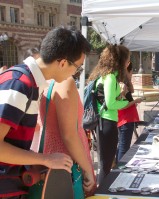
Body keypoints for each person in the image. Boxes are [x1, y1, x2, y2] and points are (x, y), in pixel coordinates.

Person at [0, 26, 91, 198]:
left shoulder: (27, 81)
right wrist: (45, 159)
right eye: (77, 68)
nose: (76, 73)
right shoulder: (21, 83)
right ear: (63, 62)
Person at [87, 45, 142, 183]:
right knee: (106, 163)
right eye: (127, 60)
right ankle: (102, 191)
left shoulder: (108, 76)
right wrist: (128, 102)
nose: (128, 63)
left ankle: (103, 189)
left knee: (106, 162)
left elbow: (108, 101)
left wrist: (121, 95)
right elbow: (111, 104)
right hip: (106, 122)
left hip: (106, 122)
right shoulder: (110, 77)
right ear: (120, 60)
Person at [38, 76, 96, 197]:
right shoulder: (64, 81)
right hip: (69, 162)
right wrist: (87, 169)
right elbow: (69, 136)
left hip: (52, 156)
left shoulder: (45, 81)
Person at [116, 62, 140, 163]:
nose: (132, 74)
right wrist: (136, 101)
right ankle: (120, 168)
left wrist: (128, 79)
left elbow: (132, 91)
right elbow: (123, 105)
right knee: (123, 147)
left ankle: (118, 165)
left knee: (122, 145)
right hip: (125, 119)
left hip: (126, 119)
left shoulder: (124, 83)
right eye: (131, 72)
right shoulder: (121, 85)